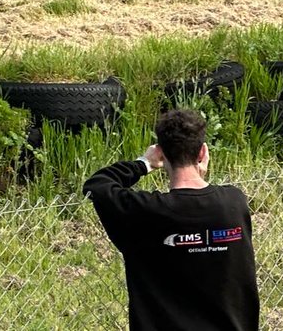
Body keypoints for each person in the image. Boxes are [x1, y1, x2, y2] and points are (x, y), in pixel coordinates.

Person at [84, 109, 259, 330]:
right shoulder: (234, 202)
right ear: (203, 152)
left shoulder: (145, 211)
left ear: (160, 153)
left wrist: (143, 163)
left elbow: (97, 185)